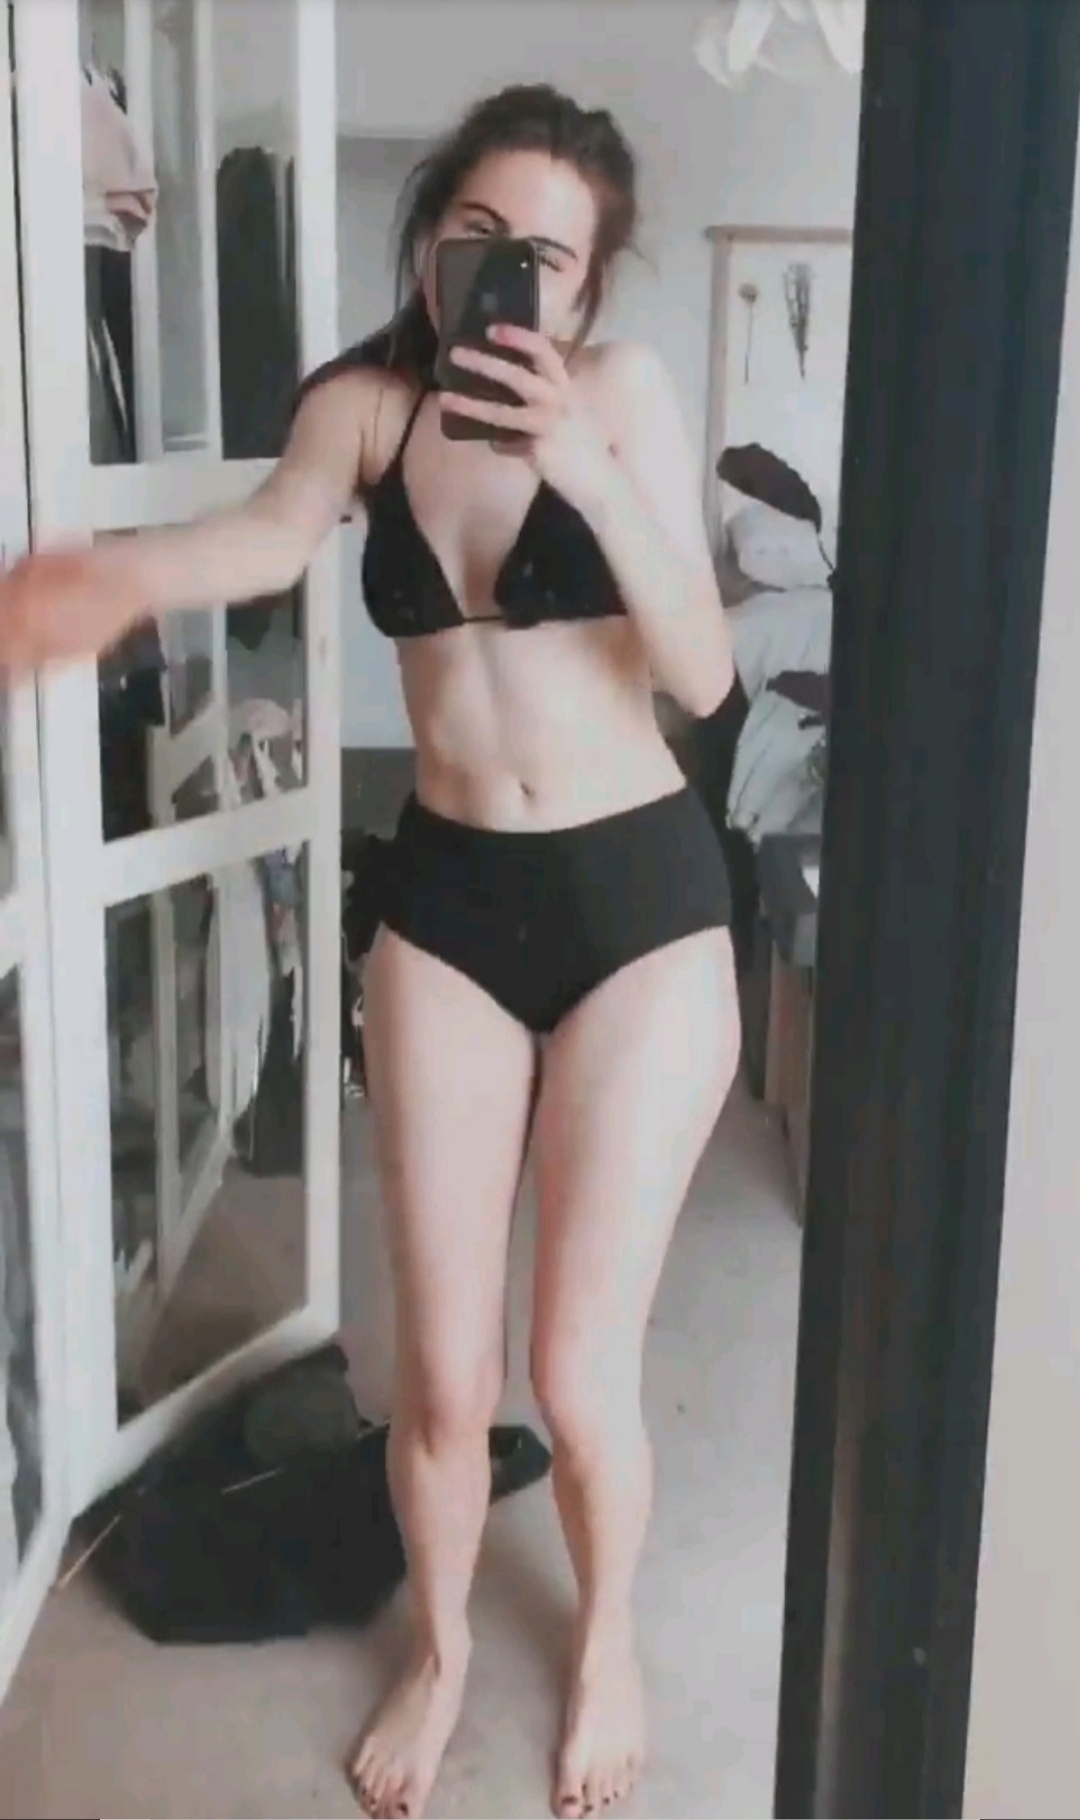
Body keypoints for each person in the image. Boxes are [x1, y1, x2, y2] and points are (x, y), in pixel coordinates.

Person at [0, 83, 739, 1820]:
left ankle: (607, 1640)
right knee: (443, 1375)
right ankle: (445, 1652)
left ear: (589, 285)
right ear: (429, 238)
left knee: (576, 1373)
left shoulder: (623, 396)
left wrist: (577, 463)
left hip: (638, 905)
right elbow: (264, 536)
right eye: (477, 235)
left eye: (546, 255)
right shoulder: (363, 406)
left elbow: (704, 674)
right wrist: (111, 580)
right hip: (451, 900)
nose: (505, 273)